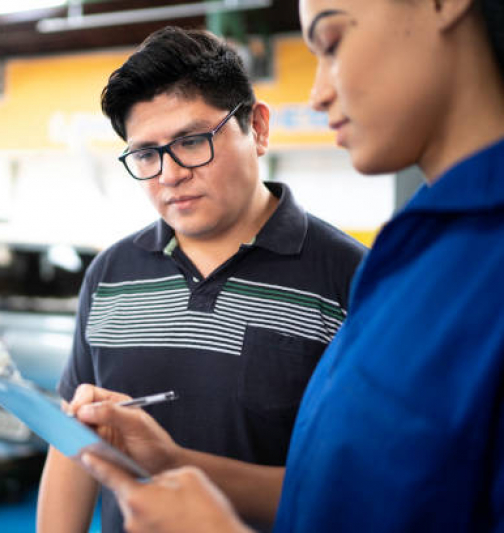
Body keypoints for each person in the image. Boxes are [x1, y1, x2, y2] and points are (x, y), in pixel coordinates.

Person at [73, 0, 504, 531]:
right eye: (146, 155)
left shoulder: (365, 274)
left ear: (255, 129)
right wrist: (174, 462)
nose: (319, 93)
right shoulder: (414, 257)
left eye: (333, 41)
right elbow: (345, 494)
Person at [37, 26, 367, 533]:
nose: (169, 174)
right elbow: (77, 443)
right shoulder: (110, 275)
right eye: (146, 154)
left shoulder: (352, 280)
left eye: (192, 141)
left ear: (256, 128)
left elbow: (360, 489)